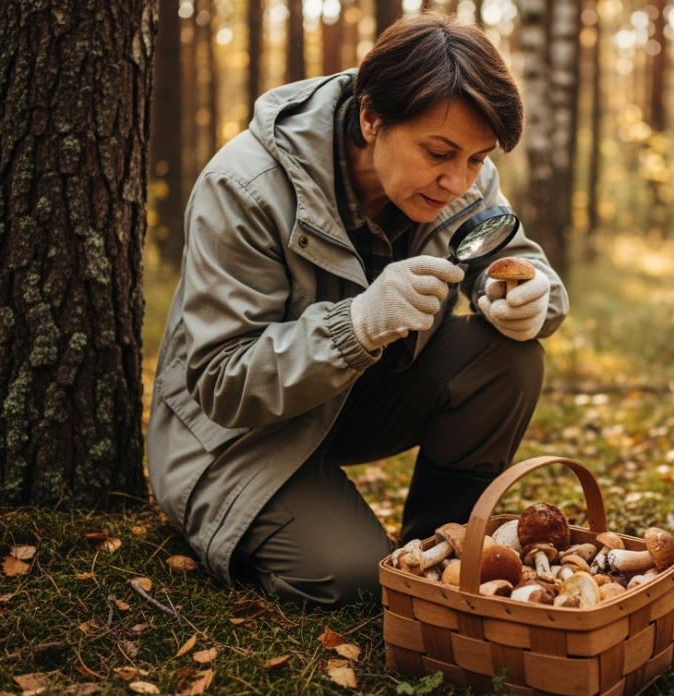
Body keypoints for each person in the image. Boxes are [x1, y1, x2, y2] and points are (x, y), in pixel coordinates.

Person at [146, 13, 568, 606]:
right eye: (440, 153)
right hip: (238, 436)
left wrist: (532, 301)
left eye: (477, 158)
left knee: (508, 357)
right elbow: (222, 382)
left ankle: (443, 553)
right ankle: (366, 560)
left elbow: (512, 257)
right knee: (358, 580)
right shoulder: (244, 187)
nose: (458, 181)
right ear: (371, 117)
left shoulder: (462, 173)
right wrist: (360, 324)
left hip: (356, 404)